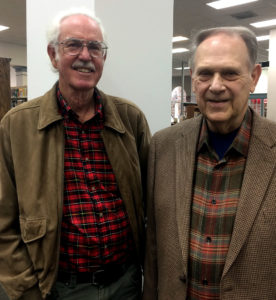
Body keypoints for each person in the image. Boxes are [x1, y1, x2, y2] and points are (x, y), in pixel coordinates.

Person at [0, 7, 151, 300]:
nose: (85, 55)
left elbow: (150, 202)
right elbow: (3, 221)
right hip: (58, 289)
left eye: (95, 47)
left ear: (103, 57)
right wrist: (26, 288)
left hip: (126, 283)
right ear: (53, 55)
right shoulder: (16, 126)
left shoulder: (130, 118)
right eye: (73, 45)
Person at [143, 26, 276, 300]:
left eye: (229, 73)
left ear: (253, 77)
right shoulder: (162, 147)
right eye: (205, 73)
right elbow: (153, 250)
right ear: (193, 79)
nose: (216, 86)